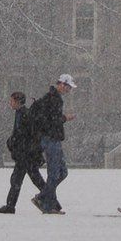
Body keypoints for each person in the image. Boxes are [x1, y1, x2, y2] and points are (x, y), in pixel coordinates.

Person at [29, 74, 77, 214]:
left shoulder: (51, 97)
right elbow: (51, 120)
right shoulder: (53, 99)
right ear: (61, 84)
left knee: (62, 172)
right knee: (55, 173)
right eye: (68, 87)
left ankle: (44, 197)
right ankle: (46, 204)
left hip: (52, 138)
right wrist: (65, 118)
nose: (69, 90)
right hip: (51, 139)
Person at [0, 92, 46, 214]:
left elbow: (27, 134)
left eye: (12, 101)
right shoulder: (21, 114)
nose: (10, 103)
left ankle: (11, 206)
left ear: (18, 102)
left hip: (26, 154)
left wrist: (15, 142)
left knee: (30, 180)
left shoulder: (24, 114)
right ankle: (10, 205)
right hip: (24, 154)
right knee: (21, 180)